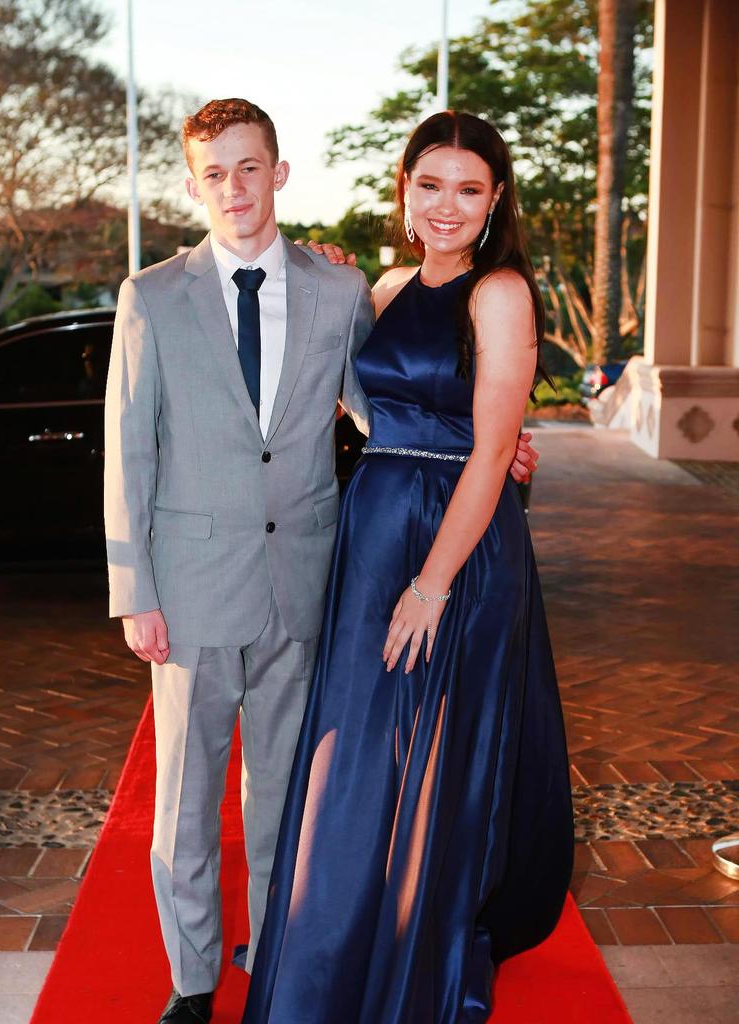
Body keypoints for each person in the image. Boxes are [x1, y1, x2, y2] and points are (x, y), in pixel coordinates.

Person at [104, 98, 539, 1024]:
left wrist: (488, 447)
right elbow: (127, 454)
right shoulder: (152, 296)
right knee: (184, 800)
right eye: (215, 171)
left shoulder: (342, 290)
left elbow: (371, 400)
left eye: (250, 167)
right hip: (190, 586)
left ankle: (278, 949)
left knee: (289, 791)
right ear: (193, 184)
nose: (235, 186)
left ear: (280, 173)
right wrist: (133, 591)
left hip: (313, 579)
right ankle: (191, 982)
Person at [242, 111, 574, 1024]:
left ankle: (403, 960)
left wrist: (432, 584)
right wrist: (325, 274)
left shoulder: (499, 292)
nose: (447, 206)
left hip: (454, 548)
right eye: (431, 184)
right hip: (376, 526)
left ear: (496, 198)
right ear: (404, 189)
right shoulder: (385, 285)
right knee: (354, 752)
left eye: (469, 189)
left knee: (426, 756)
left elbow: (489, 447)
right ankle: (337, 938)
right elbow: (364, 408)